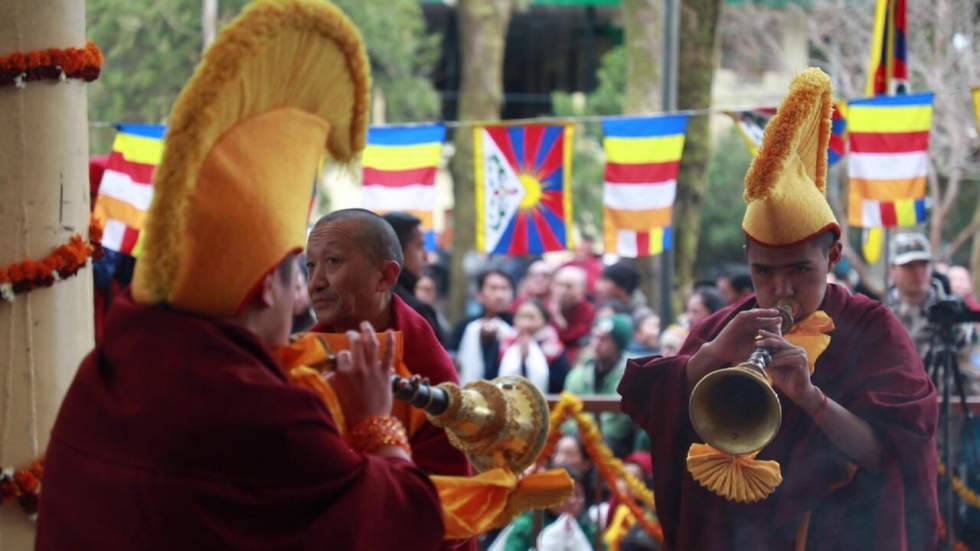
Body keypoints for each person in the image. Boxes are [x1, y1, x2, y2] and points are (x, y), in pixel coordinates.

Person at [37, 3, 444, 549]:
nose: (309, 287)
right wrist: (376, 422)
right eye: (298, 269)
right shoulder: (261, 410)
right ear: (264, 286)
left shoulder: (102, 377)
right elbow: (407, 522)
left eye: (327, 265)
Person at [619, 69, 938, 549]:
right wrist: (712, 354)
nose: (780, 288)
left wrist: (812, 399)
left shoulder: (873, 328)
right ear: (747, 258)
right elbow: (653, 408)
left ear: (832, 256)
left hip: (839, 533)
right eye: (763, 272)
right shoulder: (724, 326)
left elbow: (891, 455)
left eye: (799, 270)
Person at [306, 208, 470, 479]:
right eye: (311, 266)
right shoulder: (305, 355)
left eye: (333, 261)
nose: (315, 283)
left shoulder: (424, 365)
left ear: (385, 276)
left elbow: (444, 489)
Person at [565, 314, 638, 458]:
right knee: (566, 446)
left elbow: (617, 427)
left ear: (618, 344)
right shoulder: (577, 374)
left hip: (616, 443)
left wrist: (587, 437)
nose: (596, 343)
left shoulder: (631, 375)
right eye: (595, 337)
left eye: (604, 339)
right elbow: (567, 419)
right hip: (578, 437)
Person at [382, 211, 446, 344]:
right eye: (420, 246)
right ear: (396, 251)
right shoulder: (415, 311)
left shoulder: (364, 301)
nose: (426, 256)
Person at [450, 268, 515, 384]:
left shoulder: (517, 326)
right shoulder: (465, 326)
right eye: (493, 288)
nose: (500, 295)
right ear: (479, 295)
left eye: (505, 288)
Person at [497, 299, 570, 393]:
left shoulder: (554, 349)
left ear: (544, 320)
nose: (525, 323)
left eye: (531, 317)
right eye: (521, 317)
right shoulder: (506, 344)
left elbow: (559, 384)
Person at [550, 265, 598, 365]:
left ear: (582, 289)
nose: (563, 290)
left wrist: (557, 317)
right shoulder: (546, 307)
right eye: (559, 285)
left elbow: (573, 338)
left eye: (569, 286)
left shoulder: (589, 311)